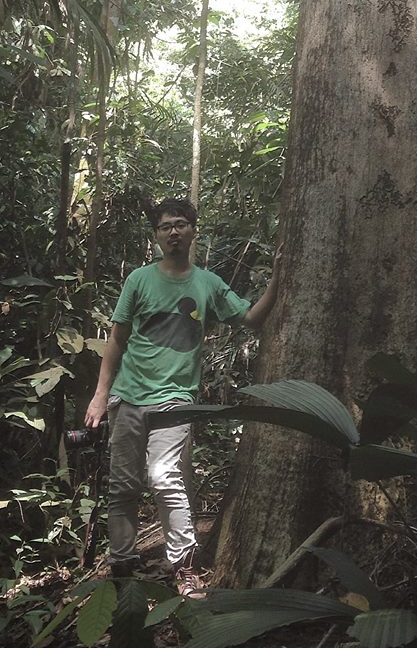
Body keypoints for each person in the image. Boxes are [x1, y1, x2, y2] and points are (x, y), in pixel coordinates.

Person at [84, 196, 281, 598]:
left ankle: (184, 566)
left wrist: (278, 277)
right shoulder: (139, 279)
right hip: (128, 397)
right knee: (122, 486)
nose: (173, 232)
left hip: (176, 397)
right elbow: (117, 340)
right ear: (156, 235)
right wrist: (100, 395)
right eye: (164, 227)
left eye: (180, 224)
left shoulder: (208, 283)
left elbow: (250, 318)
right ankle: (121, 563)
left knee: (165, 478)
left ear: (193, 229)